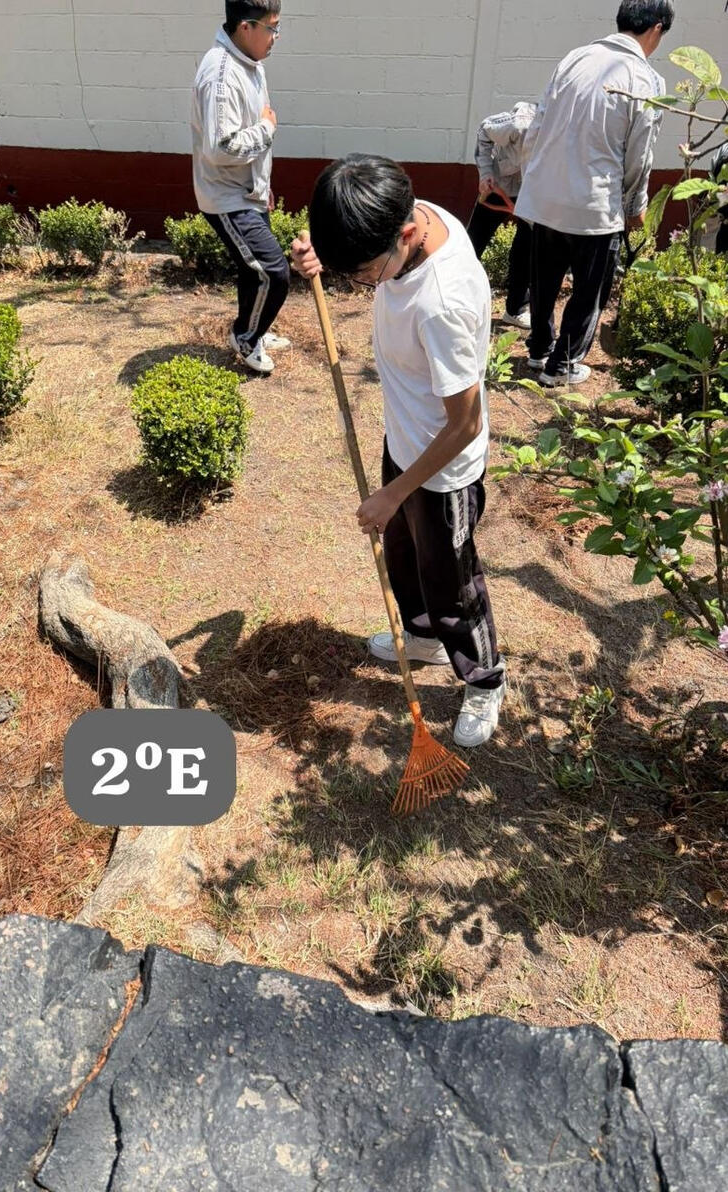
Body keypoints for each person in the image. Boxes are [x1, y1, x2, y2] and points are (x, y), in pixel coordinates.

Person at [291, 155, 506, 748]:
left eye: (362, 273)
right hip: (406, 439)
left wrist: (394, 492)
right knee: (406, 555)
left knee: (453, 581)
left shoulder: (445, 304)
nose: (360, 284)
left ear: (405, 235)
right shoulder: (414, 216)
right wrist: (321, 252)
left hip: (444, 469)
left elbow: (465, 424)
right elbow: (354, 236)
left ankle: (484, 679)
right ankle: (421, 635)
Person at [515, 0, 673, 387]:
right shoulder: (646, 79)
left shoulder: (574, 58)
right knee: (590, 289)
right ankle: (562, 365)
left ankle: (538, 351)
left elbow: (537, 123)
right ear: (656, 28)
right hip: (594, 204)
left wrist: (532, 181)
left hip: (546, 195)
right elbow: (639, 154)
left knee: (545, 278)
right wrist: (636, 205)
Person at [191, 0, 290, 376]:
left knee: (254, 270)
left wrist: (264, 185)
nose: (276, 37)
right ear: (246, 27)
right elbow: (220, 148)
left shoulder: (252, 63)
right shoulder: (220, 76)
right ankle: (246, 338)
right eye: (272, 27)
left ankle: (256, 331)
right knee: (273, 272)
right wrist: (267, 130)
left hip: (248, 191)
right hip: (226, 196)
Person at [466, 101, 537, 330]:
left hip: (531, 190)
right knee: (473, 243)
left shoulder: (565, 134)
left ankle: (515, 309)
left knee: (525, 249)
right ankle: (455, 298)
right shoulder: (520, 124)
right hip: (499, 184)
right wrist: (485, 173)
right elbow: (484, 131)